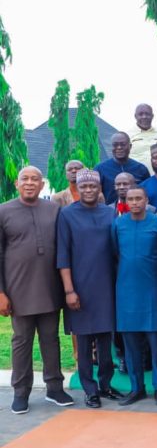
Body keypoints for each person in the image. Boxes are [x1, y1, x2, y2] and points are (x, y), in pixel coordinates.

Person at [0, 166, 74, 415]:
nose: (30, 183)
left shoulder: (54, 210)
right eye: (25, 179)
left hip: (50, 287)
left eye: (35, 179)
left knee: (51, 339)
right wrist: (1, 293)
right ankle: (21, 392)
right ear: (17, 184)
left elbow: (63, 248)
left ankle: (55, 388)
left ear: (42, 185)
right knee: (22, 341)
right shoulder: (3, 211)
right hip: (18, 290)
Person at [57, 169, 122, 409]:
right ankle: (90, 390)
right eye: (83, 186)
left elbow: (115, 250)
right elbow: (62, 255)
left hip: (105, 286)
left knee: (105, 341)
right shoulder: (67, 214)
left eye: (92, 186)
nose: (88, 190)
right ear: (77, 187)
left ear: (99, 188)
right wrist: (69, 290)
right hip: (79, 287)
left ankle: (105, 385)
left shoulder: (109, 213)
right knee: (84, 343)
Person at [112, 186, 157, 407]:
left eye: (139, 198)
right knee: (131, 346)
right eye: (131, 199)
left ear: (146, 200)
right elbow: (115, 254)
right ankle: (137, 388)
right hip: (126, 292)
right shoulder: (118, 225)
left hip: (152, 291)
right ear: (126, 202)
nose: (134, 202)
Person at [95, 132, 150, 204]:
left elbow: (147, 193)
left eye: (123, 144)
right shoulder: (100, 169)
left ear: (130, 146)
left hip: (136, 209)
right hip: (111, 210)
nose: (119, 147)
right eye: (115, 145)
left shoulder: (141, 169)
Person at [128, 104, 157, 174]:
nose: (144, 117)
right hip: (137, 176)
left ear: (152, 116)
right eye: (140, 114)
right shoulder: (128, 135)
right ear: (135, 116)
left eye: (147, 114)